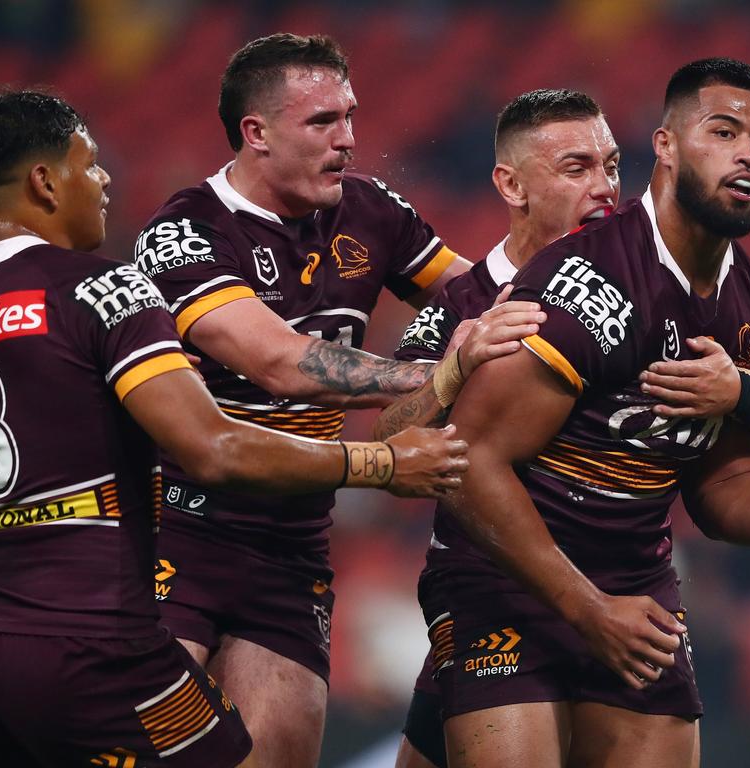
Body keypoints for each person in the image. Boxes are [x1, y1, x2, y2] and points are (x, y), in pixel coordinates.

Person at [0, 90, 468, 767]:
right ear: (44, 181)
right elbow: (215, 447)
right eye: (89, 165)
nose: (104, 182)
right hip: (94, 635)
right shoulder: (105, 290)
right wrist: (382, 464)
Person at [392, 60, 750, 768]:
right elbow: (466, 463)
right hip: (509, 588)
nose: (749, 151)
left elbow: (720, 481)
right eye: (724, 131)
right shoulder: (578, 286)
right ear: (667, 145)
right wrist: (589, 611)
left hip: (637, 598)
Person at [133, 33, 542, 767]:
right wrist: (436, 375)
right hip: (176, 534)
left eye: (350, 117)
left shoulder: (368, 210)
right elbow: (277, 362)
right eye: (322, 123)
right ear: (255, 133)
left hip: (293, 546)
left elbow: (472, 299)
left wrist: (576, 292)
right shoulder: (184, 230)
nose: (349, 140)